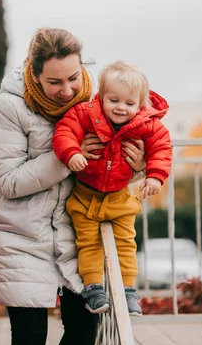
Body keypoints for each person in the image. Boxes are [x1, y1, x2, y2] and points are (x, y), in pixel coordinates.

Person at [0, 29, 146, 345]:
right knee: (29, 342)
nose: (67, 90)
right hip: (22, 239)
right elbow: (6, 180)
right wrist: (67, 160)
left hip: (80, 237)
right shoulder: (11, 105)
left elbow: (117, 162)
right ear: (34, 74)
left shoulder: (99, 101)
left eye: (73, 78)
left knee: (83, 334)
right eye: (54, 82)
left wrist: (140, 166)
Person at [52, 61, 172, 316]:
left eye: (129, 104)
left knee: (126, 243)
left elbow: (161, 149)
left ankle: (128, 291)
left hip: (119, 197)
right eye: (113, 100)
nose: (120, 108)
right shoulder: (85, 114)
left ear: (140, 104)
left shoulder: (147, 124)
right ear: (102, 96)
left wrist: (155, 177)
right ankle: (94, 289)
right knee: (88, 243)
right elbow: (64, 132)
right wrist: (72, 152)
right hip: (85, 195)